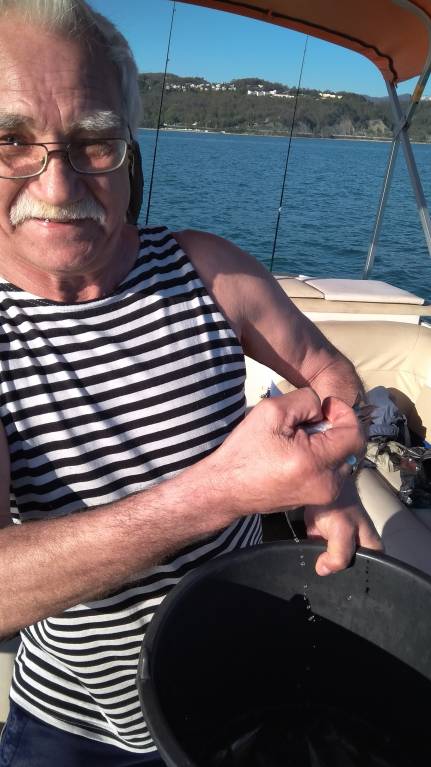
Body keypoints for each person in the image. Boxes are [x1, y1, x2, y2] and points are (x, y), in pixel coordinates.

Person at [0, 1, 381, 764]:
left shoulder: (208, 268)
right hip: (76, 728)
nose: (58, 181)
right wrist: (218, 491)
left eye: (94, 140)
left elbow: (330, 375)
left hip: (242, 685)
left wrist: (327, 473)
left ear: (128, 154)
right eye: (11, 140)